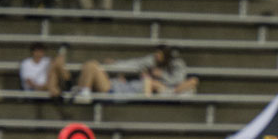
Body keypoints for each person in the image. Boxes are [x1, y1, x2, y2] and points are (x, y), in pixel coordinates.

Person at [70, 45, 199, 104]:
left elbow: (188, 82)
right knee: (91, 65)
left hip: (114, 90)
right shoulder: (150, 74)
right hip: (116, 86)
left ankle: (83, 91)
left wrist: (160, 76)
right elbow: (134, 63)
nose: (156, 57)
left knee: (92, 65)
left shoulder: (160, 83)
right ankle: (83, 90)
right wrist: (117, 65)